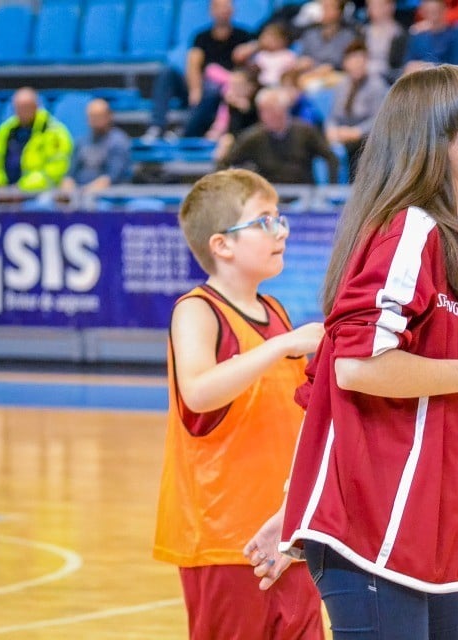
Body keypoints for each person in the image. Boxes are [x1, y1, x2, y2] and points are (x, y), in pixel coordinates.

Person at [245, 64, 458, 639]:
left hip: (412, 531)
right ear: (437, 138)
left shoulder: (445, 239)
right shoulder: (410, 229)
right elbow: (356, 367)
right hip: (371, 531)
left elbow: (328, 392)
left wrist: (297, 509)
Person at [153, 168, 326, 640]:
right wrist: (278, 347)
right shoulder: (196, 309)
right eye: (264, 221)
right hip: (224, 540)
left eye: (280, 218)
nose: (281, 230)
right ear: (222, 245)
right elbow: (198, 390)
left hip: (287, 533)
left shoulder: (276, 313)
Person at [145, 0, 255, 141]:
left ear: (233, 10)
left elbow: (248, 70)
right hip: (201, 88)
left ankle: (184, 132)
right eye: (219, 7)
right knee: (167, 73)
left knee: (213, 89)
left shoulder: (243, 36)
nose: (223, 11)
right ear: (211, 11)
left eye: (227, 6)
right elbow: (193, 63)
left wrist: (249, 50)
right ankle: (157, 126)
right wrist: (195, 89)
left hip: (225, 91)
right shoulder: (201, 37)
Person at [222, 87, 340, 184]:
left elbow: (331, 157)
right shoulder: (253, 137)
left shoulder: (305, 131)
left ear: (284, 109)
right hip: (268, 195)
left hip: (304, 194)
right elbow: (226, 162)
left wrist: (330, 188)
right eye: (263, 111)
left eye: (272, 110)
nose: (268, 116)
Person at [0, 87, 73, 192]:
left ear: (36, 106)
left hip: (37, 193)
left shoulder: (54, 131)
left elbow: (56, 169)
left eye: (26, 108)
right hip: (3, 192)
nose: (21, 112)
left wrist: (22, 189)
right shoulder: (6, 129)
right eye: (18, 108)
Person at [325, 40, 389, 180]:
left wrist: (357, 132)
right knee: (325, 149)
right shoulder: (341, 86)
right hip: (343, 135)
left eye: (361, 60)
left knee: (362, 150)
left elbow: (379, 118)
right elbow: (332, 116)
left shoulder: (376, 85)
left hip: (367, 138)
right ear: (345, 63)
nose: (357, 64)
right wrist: (332, 130)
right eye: (353, 60)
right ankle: (331, 194)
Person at [60, 99, 132, 195]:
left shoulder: (118, 141)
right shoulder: (82, 142)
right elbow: (69, 175)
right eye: (91, 116)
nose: (94, 120)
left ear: (109, 116)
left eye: (98, 116)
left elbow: (110, 178)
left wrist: (83, 194)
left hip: (109, 195)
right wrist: (68, 191)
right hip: (79, 194)